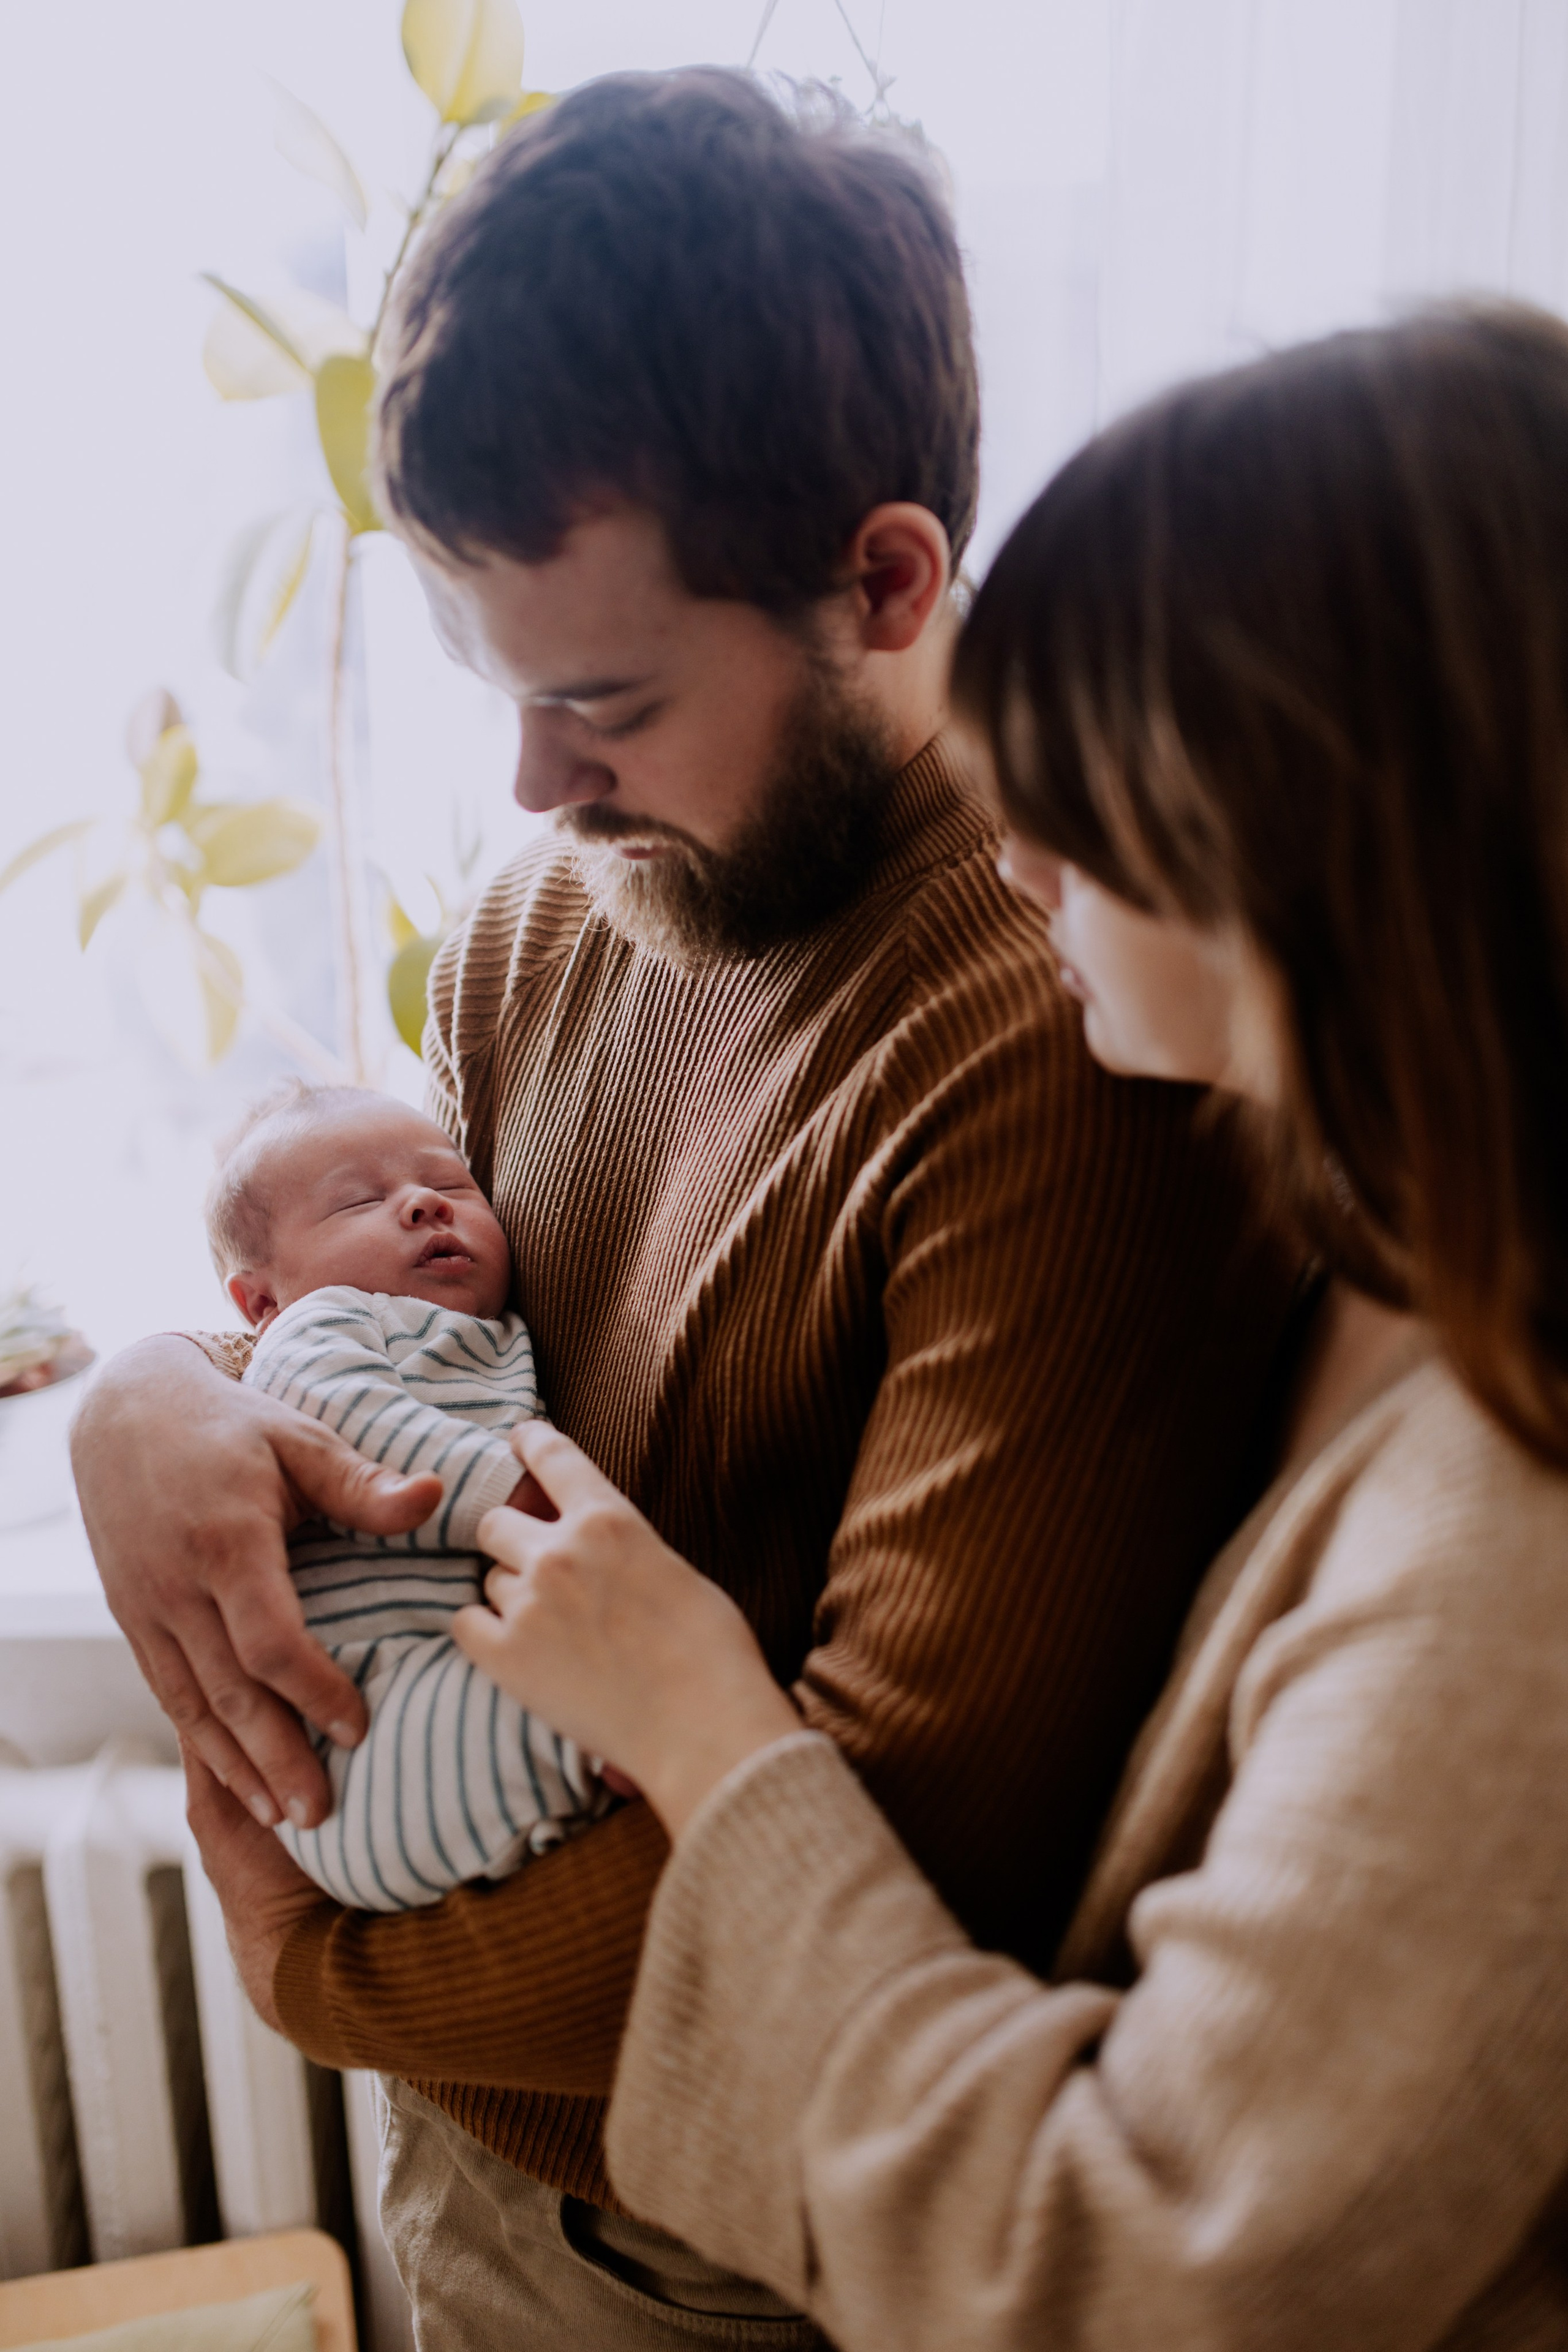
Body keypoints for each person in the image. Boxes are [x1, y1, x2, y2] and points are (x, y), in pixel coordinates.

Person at [75, 70, 1298, 2350]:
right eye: (499, 691)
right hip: (489, 2169)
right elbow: (409, 1344)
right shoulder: (572, 898)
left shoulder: (1083, 1050)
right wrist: (151, 1389)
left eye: (608, 699)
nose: (532, 789)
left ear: (887, 580)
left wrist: (319, 1971)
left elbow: (897, 1836)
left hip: (730, 2268)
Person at [449, 304, 1568, 2350]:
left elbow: (1122, 2278)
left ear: (1324, 843)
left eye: (1084, 790)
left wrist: (707, 1729)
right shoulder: (1381, 1239)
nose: (1020, 853)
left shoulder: (1518, 1562)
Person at [211, 1080, 603, 1910]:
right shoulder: (315, 1331)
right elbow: (345, 1419)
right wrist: (513, 1494)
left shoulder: (497, 1338)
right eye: (357, 1202)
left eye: (452, 1184)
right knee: (613, 1696)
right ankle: (615, 1742)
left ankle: (604, 1756)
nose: (425, 1203)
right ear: (262, 1301)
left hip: (463, 1674)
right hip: (366, 1723)